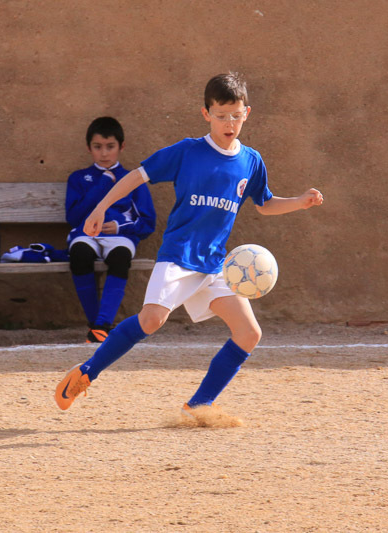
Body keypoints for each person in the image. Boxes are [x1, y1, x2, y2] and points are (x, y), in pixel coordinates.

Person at [55, 72, 324, 422]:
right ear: (206, 114)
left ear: (247, 114)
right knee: (151, 320)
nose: (229, 123)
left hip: (215, 264)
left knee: (249, 333)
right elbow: (137, 175)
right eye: (221, 115)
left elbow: (265, 203)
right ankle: (86, 372)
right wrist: (101, 207)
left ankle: (198, 405)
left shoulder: (251, 161)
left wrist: (300, 202)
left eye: (236, 115)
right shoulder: (187, 152)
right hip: (179, 255)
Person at [65, 117, 156, 343]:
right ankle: (96, 325)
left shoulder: (133, 179)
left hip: (120, 236)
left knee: (120, 258)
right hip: (86, 235)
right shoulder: (78, 178)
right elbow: (73, 217)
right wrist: (103, 184)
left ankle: (102, 325)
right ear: (89, 148)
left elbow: (148, 223)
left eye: (110, 146)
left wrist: (119, 226)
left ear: (121, 147)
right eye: (97, 147)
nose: (104, 153)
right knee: (79, 255)